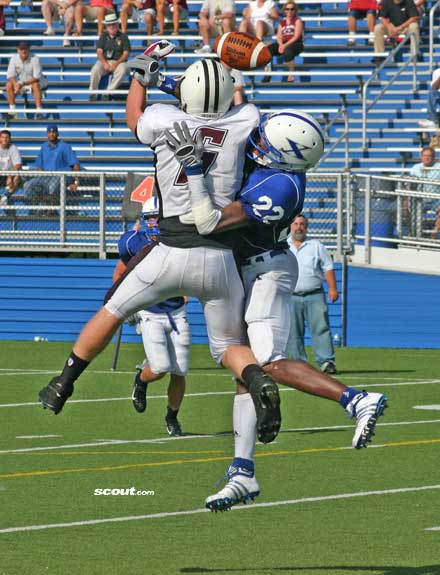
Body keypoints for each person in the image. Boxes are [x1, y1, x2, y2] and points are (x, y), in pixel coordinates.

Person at [38, 47, 282, 452]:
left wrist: (141, 75)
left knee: (113, 309)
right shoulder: (244, 121)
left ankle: (63, 383)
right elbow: (234, 102)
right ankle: (258, 379)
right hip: (221, 256)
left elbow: (134, 116)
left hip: (170, 248)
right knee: (227, 348)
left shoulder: (162, 118)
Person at [165, 111, 388, 511]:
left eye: (265, 144)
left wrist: (195, 170)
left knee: (269, 363)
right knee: (245, 370)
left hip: (265, 270)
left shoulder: (281, 187)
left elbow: (210, 222)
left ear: (285, 155)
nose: (257, 145)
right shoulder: (278, 168)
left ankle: (356, 400)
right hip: (250, 269)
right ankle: (242, 472)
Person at [113, 197, 189, 436]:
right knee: (160, 368)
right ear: (144, 220)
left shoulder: (179, 240)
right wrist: (125, 304)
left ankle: (172, 416)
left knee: (180, 371)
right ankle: (141, 380)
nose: (155, 223)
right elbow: (121, 272)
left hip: (177, 312)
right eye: (151, 218)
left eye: (159, 217)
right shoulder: (133, 242)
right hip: (150, 313)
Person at [288, 214, 338, 374]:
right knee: (293, 332)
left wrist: (332, 288)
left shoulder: (316, 246)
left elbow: (328, 267)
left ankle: (326, 362)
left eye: (302, 224)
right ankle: (298, 364)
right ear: (290, 227)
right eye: (295, 224)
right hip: (290, 296)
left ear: (307, 227)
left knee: (321, 328)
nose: (298, 227)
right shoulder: (283, 246)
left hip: (314, 294)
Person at [24, 124, 80, 208]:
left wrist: (76, 182)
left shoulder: (65, 146)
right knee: (27, 185)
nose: (51, 134)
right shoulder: (44, 147)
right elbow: (40, 167)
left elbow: (75, 164)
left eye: (54, 132)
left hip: (62, 176)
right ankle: (42, 205)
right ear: (47, 134)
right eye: (49, 132)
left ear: (57, 133)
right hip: (47, 176)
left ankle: (50, 209)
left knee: (53, 185)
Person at [89, 13, 131, 101]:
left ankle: (108, 92)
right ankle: (92, 93)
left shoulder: (123, 37)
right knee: (95, 69)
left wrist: (116, 63)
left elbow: (126, 53)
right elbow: (99, 52)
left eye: (113, 24)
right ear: (106, 26)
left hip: (119, 62)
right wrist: (105, 63)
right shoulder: (103, 36)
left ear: (117, 25)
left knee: (123, 69)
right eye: (109, 25)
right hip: (105, 61)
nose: (111, 27)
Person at [265, 1, 303, 83]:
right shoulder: (282, 23)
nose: (289, 11)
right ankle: (268, 73)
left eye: (292, 9)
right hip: (284, 43)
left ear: (295, 10)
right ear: (284, 10)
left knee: (288, 51)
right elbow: (279, 36)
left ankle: (291, 74)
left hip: (296, 43)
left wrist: (284, 45)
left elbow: (296, 36)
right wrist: (281, 44)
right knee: (268, 49)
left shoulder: (297, 20)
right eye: (287, 9)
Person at [6, 42, 45, 120]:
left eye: (25, 49)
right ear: (18, 50)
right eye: (21, 49)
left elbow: (36, 77)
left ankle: (39, 111)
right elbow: (10, 75)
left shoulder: (35, 58)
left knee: (35, 84)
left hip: (36, 82)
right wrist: (16, 84)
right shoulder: (14, 58)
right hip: (21, 83)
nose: (23, 51)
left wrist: (22, 84)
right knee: (9, 85)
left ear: (29, 50)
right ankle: (13, 111)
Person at [407, 146, 440, 236]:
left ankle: (434, 232)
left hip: (436, 199)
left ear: (433, 157)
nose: (427, 158)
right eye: (425, 155)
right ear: (421, 157)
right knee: (405, 205)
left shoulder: (439, 167)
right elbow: (410, 185)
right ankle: (412, 232)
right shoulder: (415, 168)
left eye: (429, 156)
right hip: (419, 199)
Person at [0, 129, 22, 207]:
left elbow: (18, 165)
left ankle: (6, 196)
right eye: (3, 137)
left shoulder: (13, 148)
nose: (5, 139)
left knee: (17, 176)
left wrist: (10, 175)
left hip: (10, 175)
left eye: (7, 137)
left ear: (10, 139)